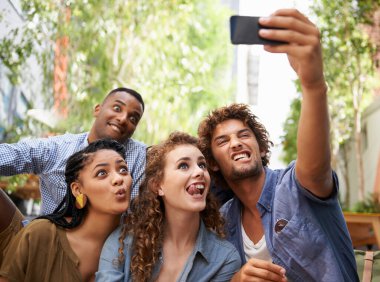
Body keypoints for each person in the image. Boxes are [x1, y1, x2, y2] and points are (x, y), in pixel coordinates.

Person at [198, 9, 359, 282]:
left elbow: (316, 165)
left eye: (244, 135)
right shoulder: (222, 221)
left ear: (261, 148)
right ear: (213, 161)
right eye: (223, 141)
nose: (236, 143)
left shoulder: (296, 187)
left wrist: (313, 85)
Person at [96, 132, 241, 282]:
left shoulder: (225, 259)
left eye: (202, 165)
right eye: (183, 165)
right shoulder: (123, 243)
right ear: (158, 186)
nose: (199, 172)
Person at [0, 139, 132, 282]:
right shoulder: (40, 234)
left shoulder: (140, 246)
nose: (118, 178)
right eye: (102, 173)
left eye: (123, 170)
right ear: (77, 190)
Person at [0, 87, 145, 216]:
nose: (123, 119)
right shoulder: (59, 148)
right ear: (97, 109)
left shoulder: (141, 159)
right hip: (47, 238)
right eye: (117, 108)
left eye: (133, 118)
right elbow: (19, 154)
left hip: (109, 244)